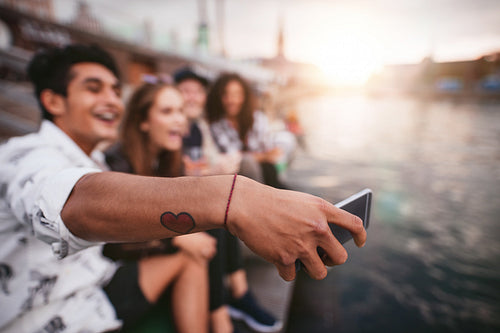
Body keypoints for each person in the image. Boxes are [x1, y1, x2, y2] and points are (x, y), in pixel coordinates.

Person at [0, 44, 367, 332]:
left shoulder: (95, 158)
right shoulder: (25, 154)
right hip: (39, 317)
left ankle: (225, 311)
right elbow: (71, 202)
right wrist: (232, 198)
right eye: (93, 89)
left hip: (96, 289)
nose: (112, 99)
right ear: (52, 101)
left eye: (115, 89)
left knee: (194, 256)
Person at [174, 68, 282, 333]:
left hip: (200, 195)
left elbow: (214, 164)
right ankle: (226, 306)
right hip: (177, 210)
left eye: (197, 91)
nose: (192, 97)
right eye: (185, 91)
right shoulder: (178, 129)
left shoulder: (199, 129)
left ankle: (238, 294)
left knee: (229, 194)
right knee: (221, 204)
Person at [206, 73, 287, 188]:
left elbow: (270, 150)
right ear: (219, 97)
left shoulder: (258, 118)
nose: (231, 100)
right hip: (234, 177)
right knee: (248, 163)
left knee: (271, 166)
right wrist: (263, 156)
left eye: (236, 94)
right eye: (226, 94)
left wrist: (268, 155)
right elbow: (234, 157)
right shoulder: (216, 125)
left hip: (265, 171)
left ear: (244, 96)